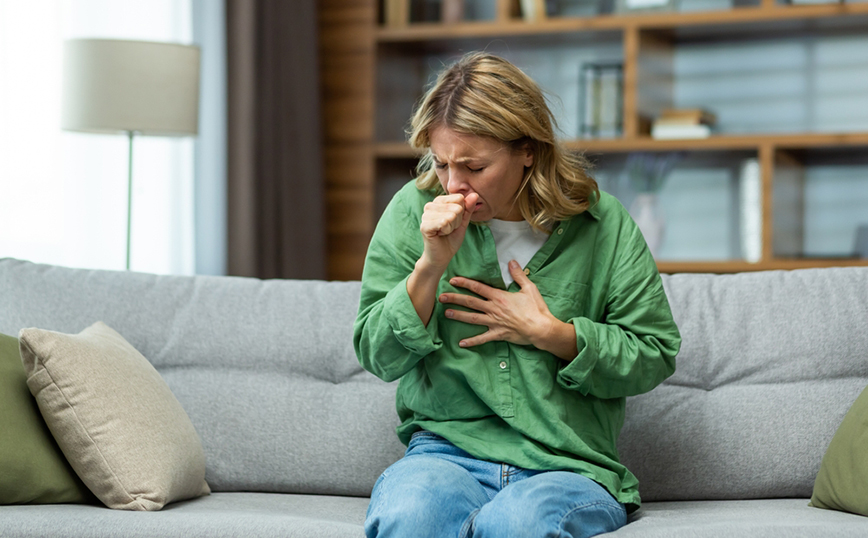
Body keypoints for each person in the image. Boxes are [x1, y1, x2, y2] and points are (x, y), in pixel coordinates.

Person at [353, 52, 681, 538]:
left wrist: (554, 335)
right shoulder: (411, 212)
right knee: (411, 516)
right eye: (442, 164)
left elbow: (654, 353)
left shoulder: (603, 224)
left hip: (566, 464)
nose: (454, 185)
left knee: (517, 524)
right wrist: (431, 265)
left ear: (527, 148)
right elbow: (377, 355)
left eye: (474, 166)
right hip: (446, 455)